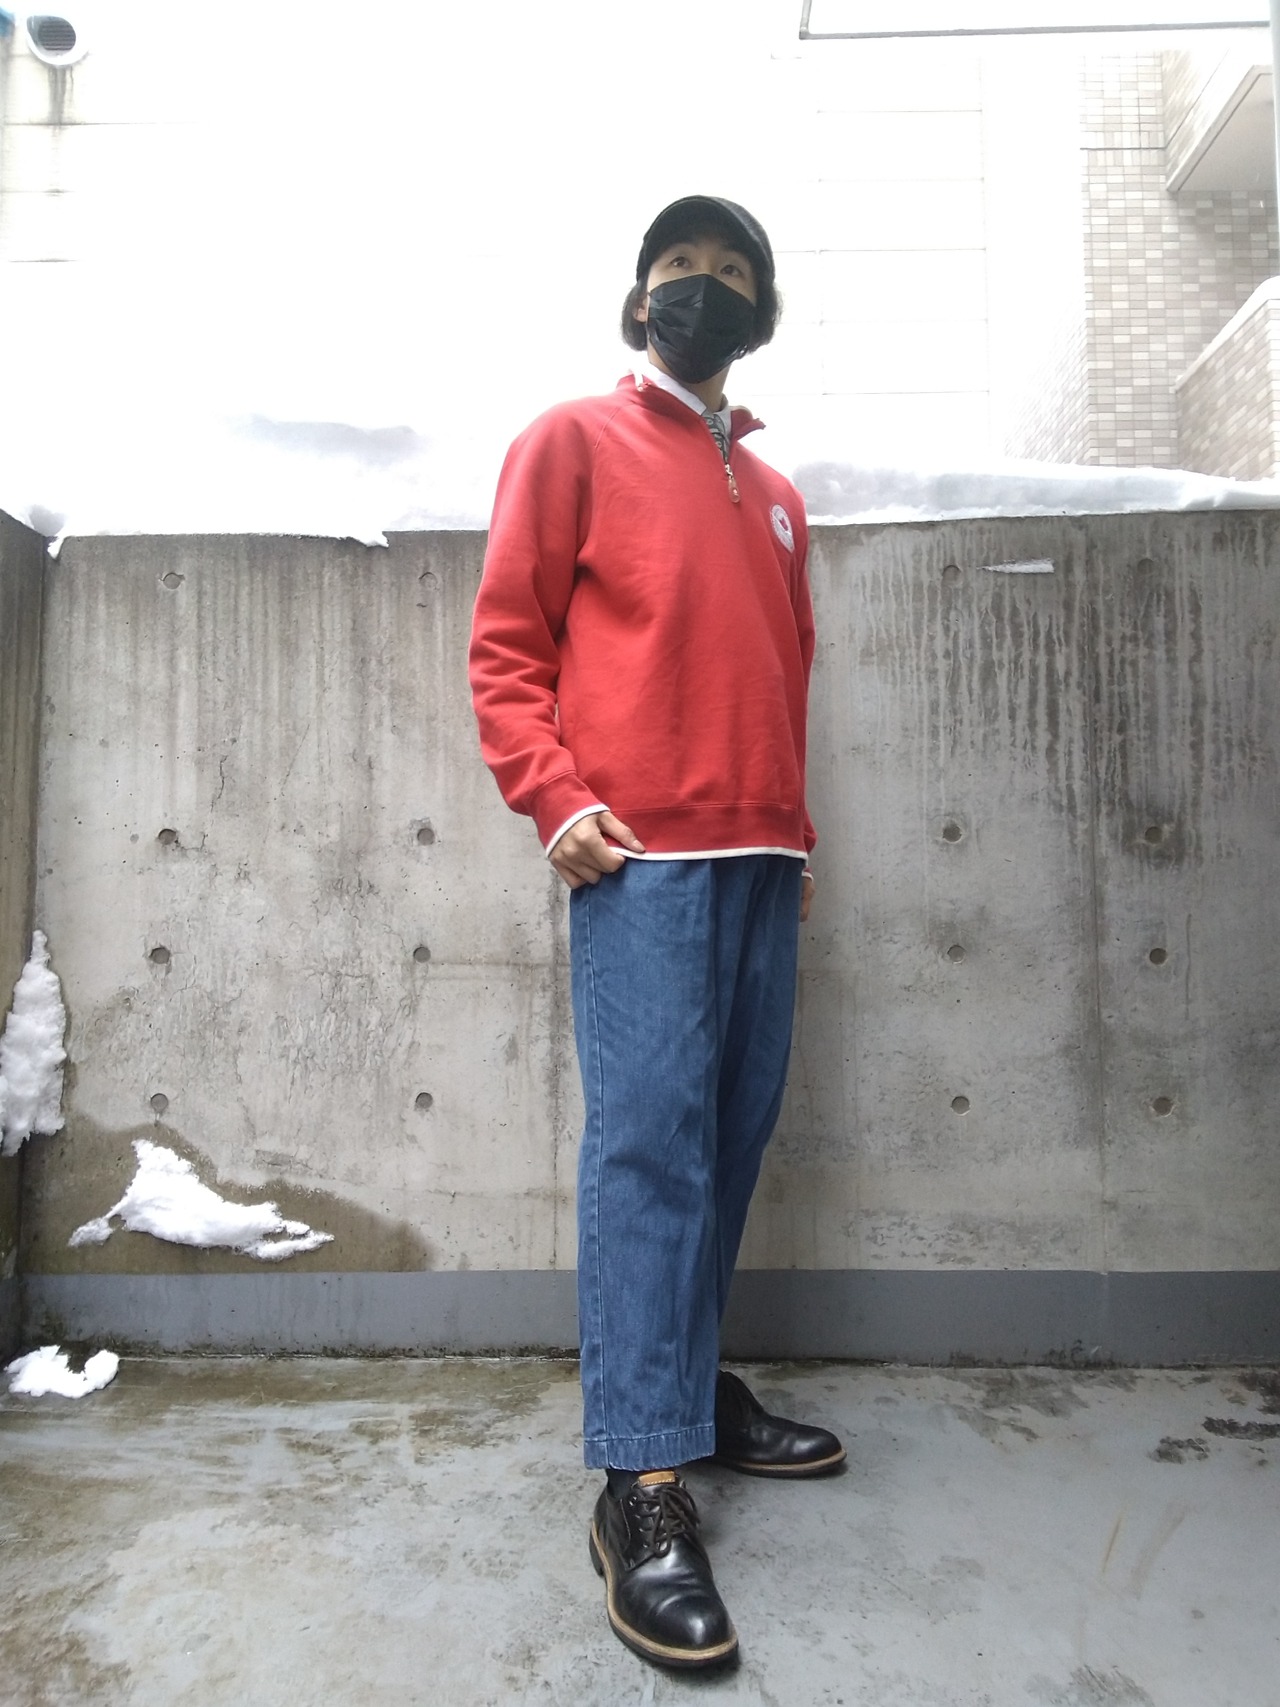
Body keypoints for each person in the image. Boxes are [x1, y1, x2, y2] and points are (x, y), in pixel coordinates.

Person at [469, 194, 844, 1671]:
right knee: (647, 1151)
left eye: (731, 272)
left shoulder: (778, 494)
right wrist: (553, 797)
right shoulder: (570, 441)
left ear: (762, 312)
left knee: (729, 1143)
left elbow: (784, 676)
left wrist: (797, 837)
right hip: (642, 861)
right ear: (639, 304)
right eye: (679, 269)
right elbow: (507, 647)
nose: (702, 287)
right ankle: (639, 1478)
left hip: (760, 861)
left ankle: (685, 1394)